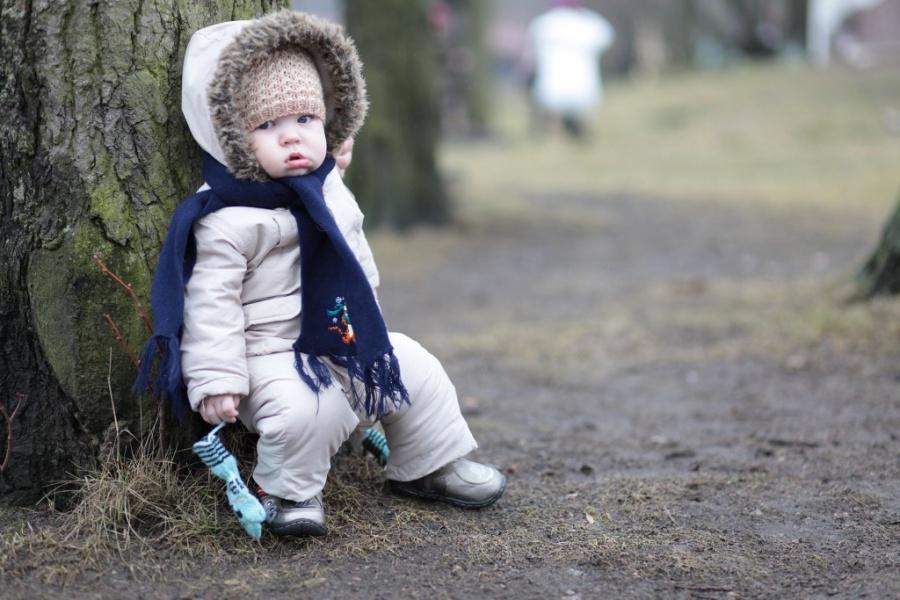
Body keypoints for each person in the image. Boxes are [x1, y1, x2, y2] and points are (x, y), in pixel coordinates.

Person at [136, 10, 505, 538]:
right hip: (268, 356)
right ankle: (289, 492)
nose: (293, 140)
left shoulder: (324, 187)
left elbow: (347, 235)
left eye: (305, 121)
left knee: (416, 368)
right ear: (229, 136)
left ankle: (429, 464)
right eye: (268, 126)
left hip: (342, 338)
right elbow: (210, 305)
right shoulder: (226, 219)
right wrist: (216, 378)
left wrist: (333, 160)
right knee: (308, 409)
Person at [525, 0, 614, 138]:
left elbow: (531, 48)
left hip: (552, 87)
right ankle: (576, 129)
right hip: (584, 86)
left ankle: (554, 132)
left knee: (553, 108)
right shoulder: (590, 23)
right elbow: (606, 39)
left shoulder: (544, 24)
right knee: (579, 109)